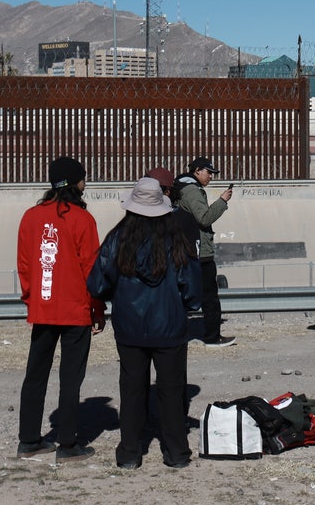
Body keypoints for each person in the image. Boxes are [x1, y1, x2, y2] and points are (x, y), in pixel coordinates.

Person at [86, 177, 202, 469]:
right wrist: (183, 307)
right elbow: (193, 289)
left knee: (132, 390)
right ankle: (176, 453)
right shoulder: (177, 239)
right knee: (172, 392)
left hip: (129, 327)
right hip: (170, 328)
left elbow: (97, 283)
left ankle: (129, 453)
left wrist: (117, 296)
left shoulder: (118, 238)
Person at [15, 156, 105, 463]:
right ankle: (67, 445)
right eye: (83, 178)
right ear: (74, 183)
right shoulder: (83, 220)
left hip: (42, 309)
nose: (85, 183)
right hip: (75, 310)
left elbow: (25, 265)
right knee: (70, 378)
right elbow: (92, 269)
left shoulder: (30, 217)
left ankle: (28, 440)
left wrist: (32, 300)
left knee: (35, 375)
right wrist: (98, 309)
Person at [174, 157, 236, 347]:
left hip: (189, 249)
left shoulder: (184, 187)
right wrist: (222, 201)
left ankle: (175, 335)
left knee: (185, 295)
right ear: (197, 170)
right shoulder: (192, 190)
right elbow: (204, 218)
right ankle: (212, 337)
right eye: (208, 172)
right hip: (199, 252)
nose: (211, 176)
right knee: (209, 297)